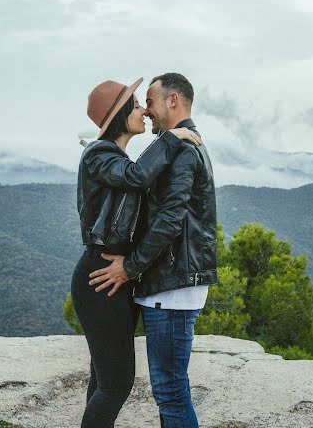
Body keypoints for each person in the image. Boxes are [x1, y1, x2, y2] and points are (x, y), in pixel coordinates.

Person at [71, 76, 202, 428]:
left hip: (117, 275)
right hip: (100, 275)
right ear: (119, 115)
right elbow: (135, 177)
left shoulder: (114, 155)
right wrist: (171, 137)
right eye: (136, 106)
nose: (144, 111)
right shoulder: (99, 153)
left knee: (104, 381)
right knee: (115, 386)